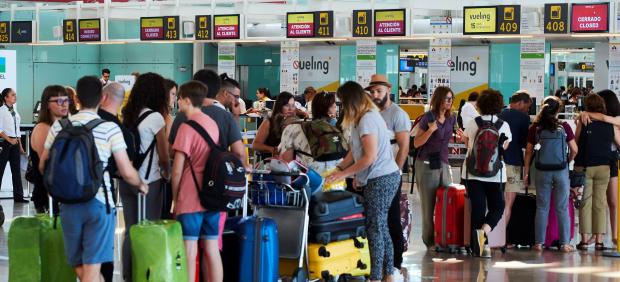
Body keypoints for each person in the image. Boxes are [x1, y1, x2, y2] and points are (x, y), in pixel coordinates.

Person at [39, 76, 147, 282]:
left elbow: (44, 163)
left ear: (76, 98)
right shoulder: (110, 128)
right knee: (91, 269)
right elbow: (126, 170)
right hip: (99, 204)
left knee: (80, 266)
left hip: (68, 204)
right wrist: (141, 184)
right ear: (103, 97)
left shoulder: (59, 126)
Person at [326, 81, 400, 282]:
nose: (341, 107)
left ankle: (377, 276)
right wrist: (340, 169)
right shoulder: (364, 118)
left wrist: (344, 175)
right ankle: (388, 274)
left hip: (382, 178)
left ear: (351, 101)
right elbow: (354, 152)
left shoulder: (367, 119)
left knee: (374, 228)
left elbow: (369, 157)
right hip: (382, 177)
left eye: (342, 102)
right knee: (380, 226)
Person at [171, 81, 225, 282]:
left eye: (179, 99)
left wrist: (175, 200)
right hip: (211, 196)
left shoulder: (186, 128)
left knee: (189, 249)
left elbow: (177, 171)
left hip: (190, 197)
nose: (177, 103)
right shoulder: (212, 123)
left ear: (186, 100)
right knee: (211, 248)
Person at [120, 72, 170, 280]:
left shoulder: (128, 113)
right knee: (149, 226)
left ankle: (128, 274)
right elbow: (164, 155)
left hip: (127, 178)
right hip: (149, 181)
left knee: (131, 227)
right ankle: (146, 272)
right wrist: (167, 172)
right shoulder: (156, 118)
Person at [457, 89, 511, 258]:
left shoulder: (474, 123)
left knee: (478, 209)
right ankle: (484, 233)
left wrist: (466, 140)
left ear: (480, 105)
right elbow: (505, 148)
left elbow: (469, 144)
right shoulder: (504, 125)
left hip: (473, 173)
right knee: (498, 206)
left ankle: (476, 247)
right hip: (495, 175)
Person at [366, 74, 411, 277]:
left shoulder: (397, 114)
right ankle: (380, 262)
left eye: (379, 91)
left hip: (390, 174)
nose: (375, 95)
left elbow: (404, 147)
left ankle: (395, 263)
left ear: (388, 91)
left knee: (392, 219)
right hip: (373, 175)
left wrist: (397, 172)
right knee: (378, 221)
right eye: (372, 91)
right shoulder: (370, 113)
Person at [524, 96, 578, 253]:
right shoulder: (564, 126)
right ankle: (565, 244)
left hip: (542, 171)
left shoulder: (535, 128)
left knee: (542, 207)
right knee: (561, 207)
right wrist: (567, 161)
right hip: (561, 171)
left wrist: (526, 172)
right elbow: (574, 149)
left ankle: (539, 243)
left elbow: (528, 151)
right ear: (558, 110)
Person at [168, 69, 248, 169]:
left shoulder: (182, 116)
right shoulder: (225, 116)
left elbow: (171, 152)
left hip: (189, 175)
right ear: (217, 90)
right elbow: (239, 153)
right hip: (217, 176)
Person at [574, 94, 620, 251]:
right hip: (604, 167)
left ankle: (584, 241)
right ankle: (600, 241)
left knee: (585, 203)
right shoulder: (610, 125)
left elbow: (576, 141)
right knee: (600, 204)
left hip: (585, 166)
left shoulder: (583, 121)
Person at [413, 86, 456, 248]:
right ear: (439, 99)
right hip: (426, 164)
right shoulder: (428, 118)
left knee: (446, 201)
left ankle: (445, 237)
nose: (450, 101)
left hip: (443, 162)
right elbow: (417, 143)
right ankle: (429, 240)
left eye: (452, 98)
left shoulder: (452, 118)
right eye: (447, 98)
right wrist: (430, 131)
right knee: (428, 205)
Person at [96, 82, 130, 282]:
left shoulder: (70, 123)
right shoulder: (116, 128)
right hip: (103, 195)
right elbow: (127, 165)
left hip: (73, 198)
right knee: (103, 247)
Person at [278, 91, 342, 174]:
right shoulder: (338, 128)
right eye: (334, 106)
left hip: (310, 180)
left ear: (312, 108)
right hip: (336, 179)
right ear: (329, 110)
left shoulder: (293, 128)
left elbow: (286, 163)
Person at [497, 91, 532, 241]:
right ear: (520, 103)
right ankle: (498, 240)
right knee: (508, 204)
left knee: (496, 204)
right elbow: (526, 143)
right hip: (514, 163)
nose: (527, 110)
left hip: (496, 164)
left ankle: (488, 237)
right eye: (527, 106)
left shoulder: (499, 114)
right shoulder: (523, 118)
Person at [30, 85, 69, 212]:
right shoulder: (43, 128)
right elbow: (47, 167)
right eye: (58, 101)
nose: (64, 104)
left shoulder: (62, 126)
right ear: (46, 104)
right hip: (48, 197)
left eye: (66, 100)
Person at [0, 88, 27, 203]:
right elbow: (0, 129)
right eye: (12, 95)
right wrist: (9, 140)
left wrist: (20, 146)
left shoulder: (14, 111)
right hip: (5, 143)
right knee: (0, 170)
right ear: (6, 97)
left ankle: (19, 197)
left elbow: (17, 129)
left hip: (15, 143)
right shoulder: (1, 110)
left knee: (16, 171)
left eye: (15, 95)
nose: (15, 97)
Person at [252, 92, 297, 159]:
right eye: (287, 105)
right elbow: (255, 145)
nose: (290, 109)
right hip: (271, 163)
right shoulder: (269, 122)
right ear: (279, 106)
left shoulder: (296, 123)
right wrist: (273, 149)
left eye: (293, 105)